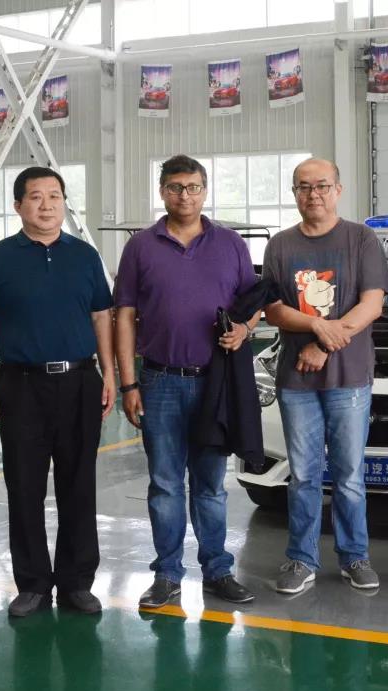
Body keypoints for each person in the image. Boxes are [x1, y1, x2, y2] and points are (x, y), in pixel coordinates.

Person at [0, 166, 115, 618]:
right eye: (35, 197)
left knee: (79, 484)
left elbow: (101, 317)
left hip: (79, 381)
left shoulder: (85, 257)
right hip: (21, 385)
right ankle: (31, 584)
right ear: (18, 206)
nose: (46, 205)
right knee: (24, 485)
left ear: (64, 203)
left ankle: (76, 582)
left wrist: (109, 373)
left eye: (55, 196)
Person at [114, 154, 259, 609]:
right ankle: (167, 574)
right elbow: (124, 316)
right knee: (165, 484)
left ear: (205, 191)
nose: (185, 195)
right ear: (162, 191)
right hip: (159, 382)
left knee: (211, 483)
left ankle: (217, 570)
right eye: (176, 187)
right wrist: (128, 384)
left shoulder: (230, 244)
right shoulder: (141, 247)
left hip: (216, 384)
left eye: (193, 187)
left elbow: (253, 301)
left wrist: (245, 328)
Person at [262, 158, 388, 594]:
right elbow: (273, 309)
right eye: (303, 187)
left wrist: (323, 344)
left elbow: (372, 305)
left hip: (349, 378)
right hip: (296, 382)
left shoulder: (360, 239)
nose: (312, 194)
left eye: (321, 185)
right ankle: (301, 559)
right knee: (303, 476)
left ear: (338, 189)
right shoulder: (280, 246)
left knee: (350, 475)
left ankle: (355, 557)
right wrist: (316, 324)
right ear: (294, 193)